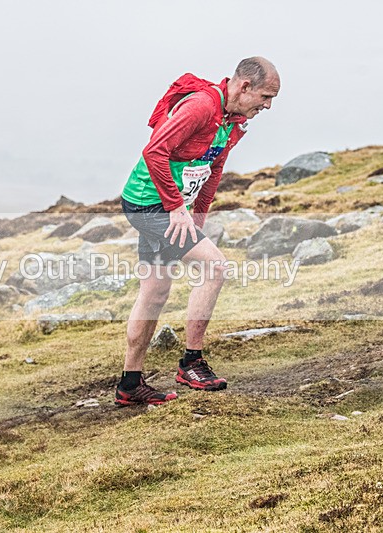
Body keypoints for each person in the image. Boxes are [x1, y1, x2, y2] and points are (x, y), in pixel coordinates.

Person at [116, 57, 280, 405]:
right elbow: (154, 152)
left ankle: (130, 384)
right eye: (266, 97)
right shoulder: (201, 107)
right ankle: (191, 363)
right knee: (215, 266)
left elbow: (212, 169)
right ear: (244, 86)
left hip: (166, 209)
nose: (267, 106)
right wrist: (177, 209)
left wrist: (198, 216)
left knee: (156, 290)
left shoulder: (231, 122)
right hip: (149, 205)